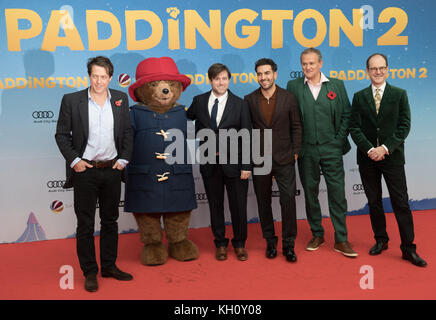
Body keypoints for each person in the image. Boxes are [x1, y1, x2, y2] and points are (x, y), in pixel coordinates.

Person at [55, 56, 134, 292]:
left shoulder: (120, 98)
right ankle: (90, 271)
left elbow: (128, 132)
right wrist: (75, 161)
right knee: (86, 224)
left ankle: (109, 266)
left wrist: (123, 159)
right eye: (94, 76)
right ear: (89, 76)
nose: (99, 81)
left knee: (110, 221)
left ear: (110, 77)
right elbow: (61, 135)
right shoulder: (71, 100)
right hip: (85, 171)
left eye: (103, 76)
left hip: (111, 169)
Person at [349, 53, 427, 267]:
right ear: (367, 71)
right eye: (373, 68)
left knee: (400, 202)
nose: (378, 71)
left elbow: (404, 126)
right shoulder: (359, 96)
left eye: (381, 67)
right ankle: (381, 240)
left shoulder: (399, 94)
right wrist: (369, 149)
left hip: (392, 158)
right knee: (374, 202)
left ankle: (408, 248)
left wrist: (384, 148)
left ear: (387, 69)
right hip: (367, 159)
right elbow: (353, 127)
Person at [287, 48, 357, 257]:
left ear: (320, 63)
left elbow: (347, 114)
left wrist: (337, 141)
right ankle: (317, 233)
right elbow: (290, 118)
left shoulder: (336, 85)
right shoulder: (293, 86)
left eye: (311, 63)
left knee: (337, 194)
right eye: (304, 64)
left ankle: (341, 239)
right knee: (310, 193)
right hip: (306, 150)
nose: (308, 67)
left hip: (332, 148)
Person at [186, 63, 252, 261]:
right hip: (209, 164)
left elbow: (247, 135)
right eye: (217, 79)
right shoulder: (198, 101)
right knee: (215, 206)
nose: (221, 82)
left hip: (235, 164)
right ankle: (220, 244)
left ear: (229, 80)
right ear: (210, 80)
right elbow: (185, 118)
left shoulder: (240, 104)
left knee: (238, 206)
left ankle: (239, 244)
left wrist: (247, 165)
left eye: (224, 78)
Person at [244, 58, 302, 262]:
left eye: (267, 73)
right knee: (263, 202)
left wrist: (294, 153)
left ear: (275, 74)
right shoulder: (249, 99)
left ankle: (289, 245)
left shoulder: (289, 97)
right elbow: (247, 131)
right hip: (260, 160)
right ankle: (270, 241)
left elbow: (296, 126)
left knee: (288, 201)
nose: (263, 77)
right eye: (259, 74)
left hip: (285, 158)